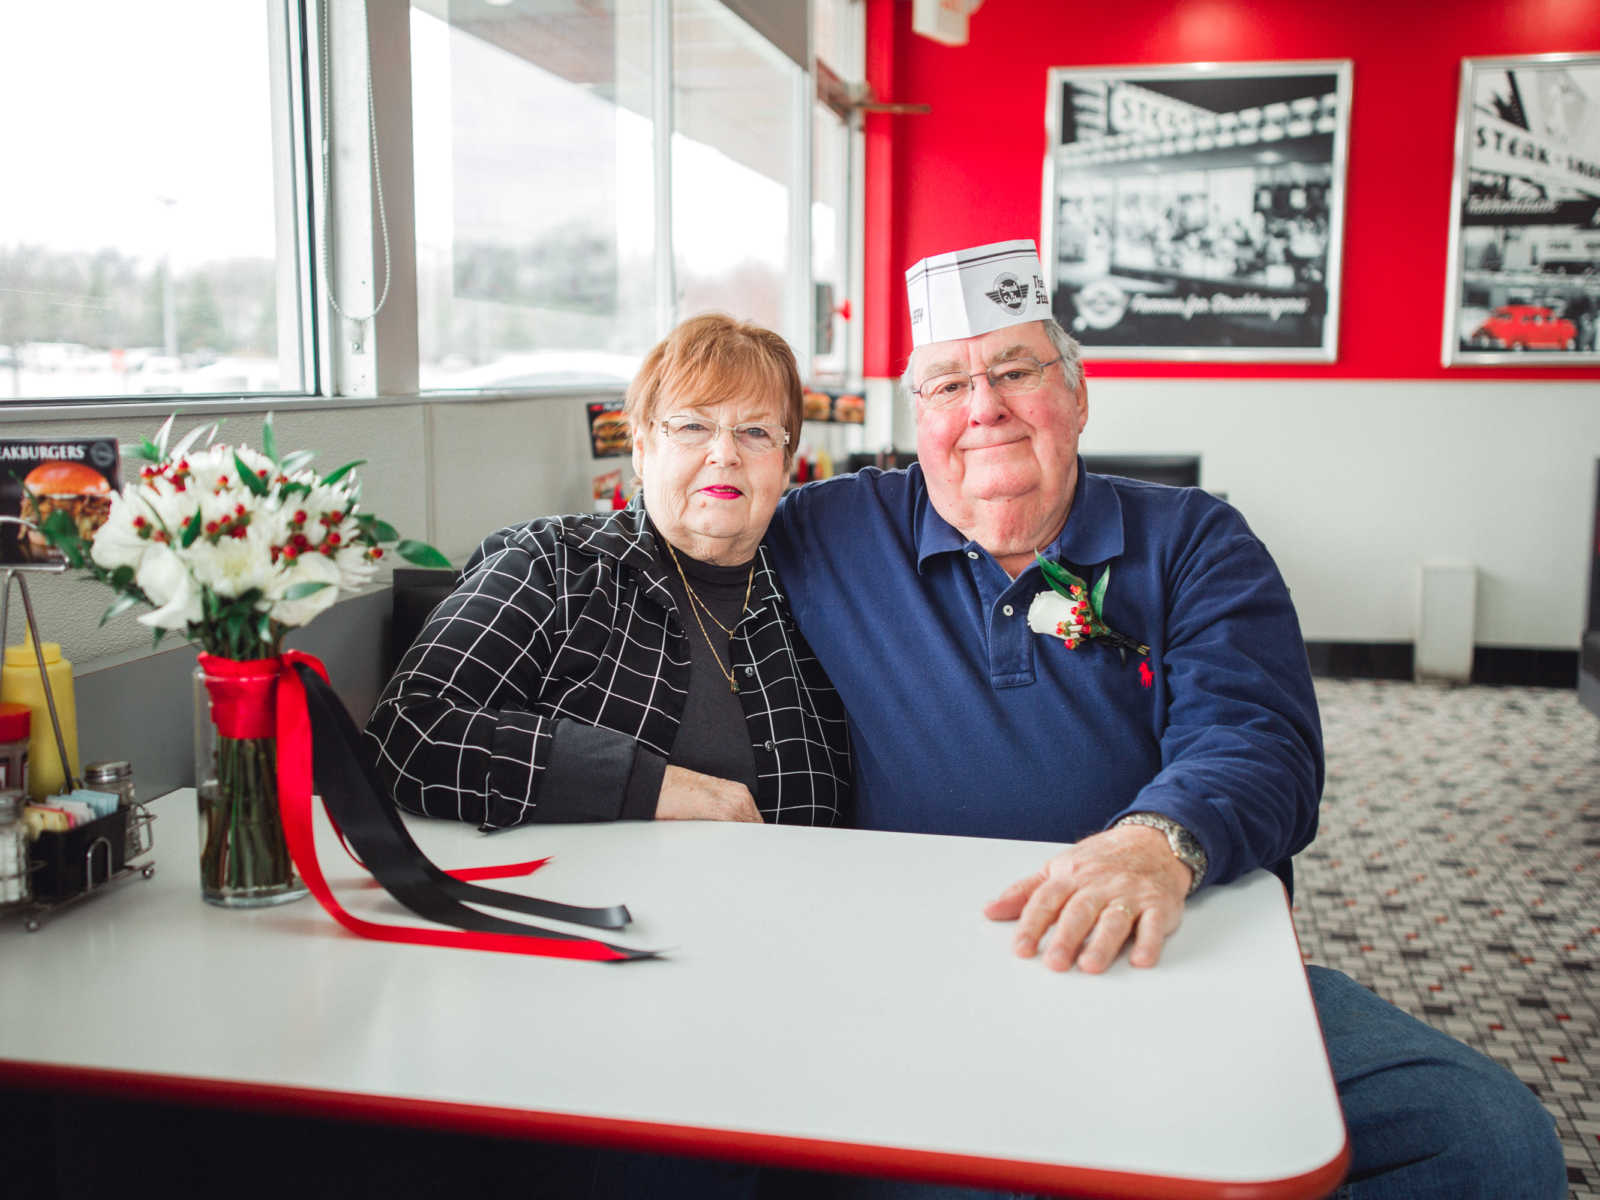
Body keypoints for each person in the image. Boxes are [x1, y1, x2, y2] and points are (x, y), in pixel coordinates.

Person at [764, 239, 1565, 1198]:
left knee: (1489, 1139)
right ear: (916, 416)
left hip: (1173, 944)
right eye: (946, 385)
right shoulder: (829, 528)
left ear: (1078, 394)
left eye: (1016, 370)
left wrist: (1155, 844)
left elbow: (1259, 740)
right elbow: (649, 545)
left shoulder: (1193, 539)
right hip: (933, 970)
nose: (984, 408)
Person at [367, 310, 850, 833]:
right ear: (641, 449)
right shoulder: (549, 564)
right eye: (692, 426)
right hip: (583, 908)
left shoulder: (824, 600)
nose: (725, 454)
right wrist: (648, 786)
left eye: (756, 431)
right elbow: (406, 732)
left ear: (785, 461)